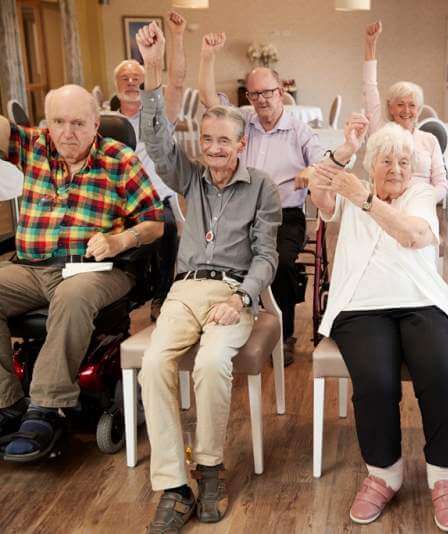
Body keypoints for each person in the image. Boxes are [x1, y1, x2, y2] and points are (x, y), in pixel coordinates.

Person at [135, 22, 282, 532]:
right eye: (209, 139)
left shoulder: (261, 187)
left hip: (232, 290)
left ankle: (211, 467)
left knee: (214, 361)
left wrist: (242, 297)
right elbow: (155, 142)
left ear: (241, 146)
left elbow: (267, 256)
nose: (216, 148)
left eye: (226, 141)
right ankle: (174, 486)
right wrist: (153, 74)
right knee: (154, 364)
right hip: (185, 289)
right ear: (202, 142)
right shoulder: (190, 177)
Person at [310, 123, 448, 532]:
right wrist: (344, 149)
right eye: (386, 160)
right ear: (371, 165)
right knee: (376, 382)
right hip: (360, 307)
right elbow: (319, 190)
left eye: (403, 161)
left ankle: (445, 478)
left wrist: (365, 200)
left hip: (421, 300)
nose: (395, 168)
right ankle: (384, 473)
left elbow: (412, 235)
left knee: (443, 375)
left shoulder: (420, 194)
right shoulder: (350, 190)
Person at [0, 85, 163, 461]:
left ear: (95, 124)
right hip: (32, 268)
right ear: (46, 123)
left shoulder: (118, 159)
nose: (67, 132)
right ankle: (8, 403)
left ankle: (46, 408)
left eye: (77, 123)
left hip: (98, 269)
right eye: (58, 122)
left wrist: (120, 240)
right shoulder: (34, 146)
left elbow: (155, 223)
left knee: (72, 296)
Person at [198, 32, 368, 364]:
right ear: (249, 96)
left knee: (281, 264)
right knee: (215, 259)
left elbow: (324, 162)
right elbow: (208, 99)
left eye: (268, 93)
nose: (262, 100)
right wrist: (207, 56)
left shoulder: (299, 130)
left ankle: (283, 332)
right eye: (255, 93)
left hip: (283, 216)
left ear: (282, 92)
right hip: (238, 211)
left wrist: (312, 172)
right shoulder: (241, 121)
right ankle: (229, 326)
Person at [112, 10, 189, 314]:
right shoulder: (104, 122)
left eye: (137, 78)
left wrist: (178, 37)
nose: (131, 83)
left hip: (155, 199)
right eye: (125, 78)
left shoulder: (159, 116)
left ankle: (163, 293)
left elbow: (178, 82)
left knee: (166, 226)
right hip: (116, 201)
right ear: (115, 83)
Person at [362, 21, 448, 203]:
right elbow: (370, 87)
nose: (406, 110)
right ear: (390, 107)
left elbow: (442, 184)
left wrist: (425, 199)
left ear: (419, 110)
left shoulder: (429, 141)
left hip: (420, 205)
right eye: (400, 104)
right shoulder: (381, 131)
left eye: (412, 105)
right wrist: (370, 45)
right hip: (386, 204)